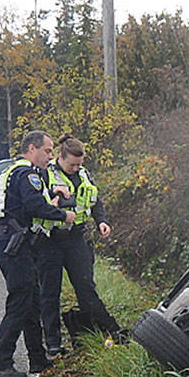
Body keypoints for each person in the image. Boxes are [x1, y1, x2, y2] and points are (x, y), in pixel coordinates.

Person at [0, 130, 75, 377]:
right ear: (32, 149)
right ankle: (2, 363)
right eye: (47, 151)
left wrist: (54, 191)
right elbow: (34, 205)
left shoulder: (13, 171)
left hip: (13, 242)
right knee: (20, 301)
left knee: (31, 301)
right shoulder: (27, 174)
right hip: (14, 244)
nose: (50, 156)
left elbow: (28, 201)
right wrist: (62, 216)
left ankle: (37, 358)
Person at [37, 135, 124, 355]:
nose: (76, 168)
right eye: (72, 164)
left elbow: (96, 201)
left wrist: (102, 221)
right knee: (50, 292)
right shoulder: (45, 175)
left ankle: (110, 329)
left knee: (86, 288)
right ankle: (54, 342)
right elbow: (36, 203)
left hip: (77, 238)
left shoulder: (84, 174)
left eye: (79, 164)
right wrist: (53, 196)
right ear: (60, 157)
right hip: (51, 240)